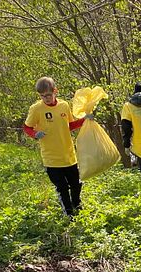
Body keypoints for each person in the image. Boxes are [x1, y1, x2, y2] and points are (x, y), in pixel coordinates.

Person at [23, 76, 90, 219]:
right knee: (62, 188)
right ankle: (69, 213)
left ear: (55, 91)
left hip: (69, 155)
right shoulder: (36, 109)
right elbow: (27, 127)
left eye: (48, 95)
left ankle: (77, 204)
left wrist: (84, 120)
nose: (46, 98)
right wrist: (35, 134)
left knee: (76, 184)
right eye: (42, 96)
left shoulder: (64, 105)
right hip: (51, 158)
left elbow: (70, 125)